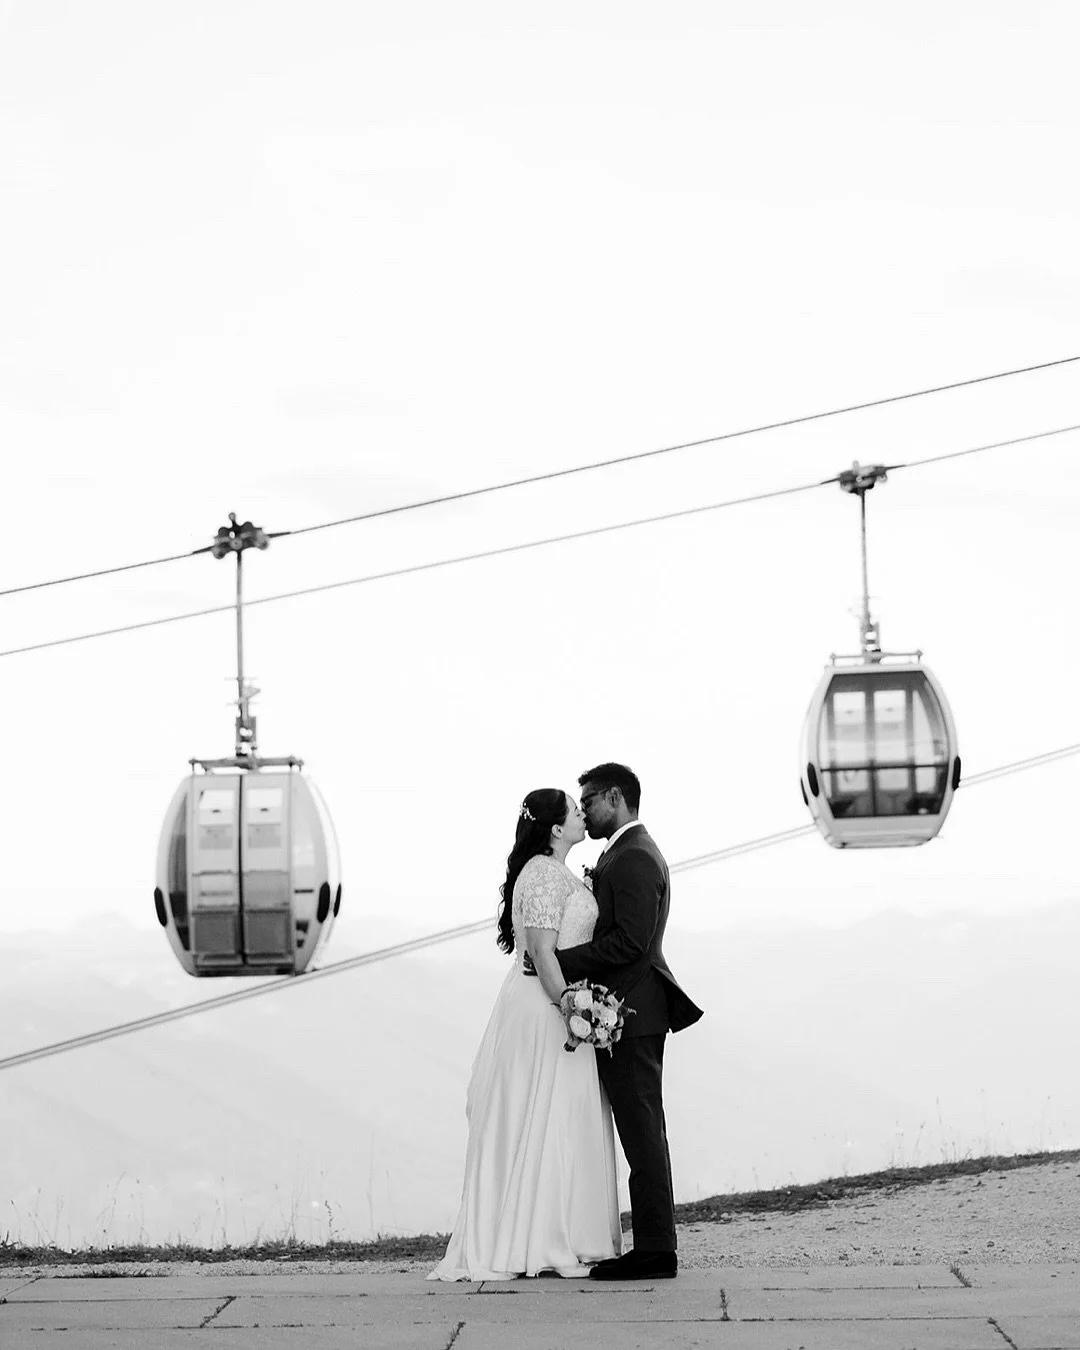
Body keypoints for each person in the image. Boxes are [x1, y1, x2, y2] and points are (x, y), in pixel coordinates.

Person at [428, 788, 623, 1281]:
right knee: (543, 1114)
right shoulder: (539, 874)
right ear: (556, 829)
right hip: (544, 1012)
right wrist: (571, 1009)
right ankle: (535, 1240)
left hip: (559, 1005)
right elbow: (540, 953)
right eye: (575, 812)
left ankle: (564, 1232)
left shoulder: (555, 873)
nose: (583, 815)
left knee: (563, 1116)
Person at [549, 762, 704, 1281]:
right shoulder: (625, 851)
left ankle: (657, 1250)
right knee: (642, 1130)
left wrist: (560, 964)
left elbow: (631, 942)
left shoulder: (634, 856)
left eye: (588, 801)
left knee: (642, 1134)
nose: (584, 811)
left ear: (614, 797)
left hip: (632, 1013)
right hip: (629, 1011)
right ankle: (653, 1244)